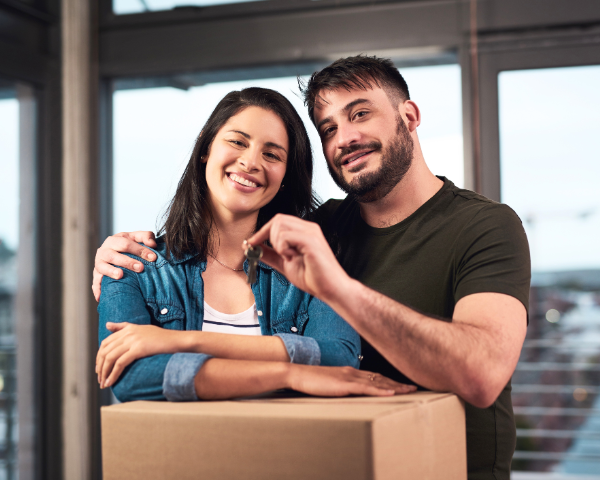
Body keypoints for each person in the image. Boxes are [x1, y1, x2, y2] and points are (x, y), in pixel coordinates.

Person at [94, 57, 530, 480]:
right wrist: (108, 258)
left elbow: (479, 373)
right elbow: (129, 374)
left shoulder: (483, 226)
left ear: (410, 116)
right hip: (337, 462)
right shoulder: (314, 235)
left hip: (451, 465)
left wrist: (177, 342)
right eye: (329, 128)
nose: (346, 137)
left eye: (361, 113)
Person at [95, 87, 415, 403]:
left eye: (271, 154)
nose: (251, 162)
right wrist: (289, 373)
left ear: (285, 175)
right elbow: (130, 376)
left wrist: (181, 341)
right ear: (206, 147)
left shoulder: (309, 269)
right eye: (237, 141)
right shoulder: (133, 266)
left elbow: (338, 357)